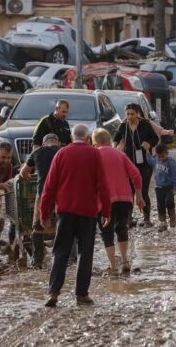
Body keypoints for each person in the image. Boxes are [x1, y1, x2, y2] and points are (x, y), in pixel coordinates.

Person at [40, 124, 111, 307]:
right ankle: (81, 294)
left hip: (65, 212)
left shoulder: (61, 154)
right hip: (87, 212)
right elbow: (103, 185)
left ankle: (54, 292)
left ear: (72, 138)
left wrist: (44, 211)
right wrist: (106, 211)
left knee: (60, 252)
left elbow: (49, 186)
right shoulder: (95, 154)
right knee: (85, 253)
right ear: (88, 138)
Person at [92, 128, 143, 274]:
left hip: (104, 201)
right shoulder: (120, 154)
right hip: (125, 199)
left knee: (106, 232)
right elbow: (136, 175)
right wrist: (139, 195)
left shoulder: (94, 155)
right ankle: (125, 261)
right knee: (122, 228)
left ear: (94, 143)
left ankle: (114, 266)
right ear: (109, 141)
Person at [20, 133, 62, 268]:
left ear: (44, 144)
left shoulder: (37, 152)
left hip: (43, 192)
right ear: (58, 143)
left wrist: (30, 175)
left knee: (37, 226)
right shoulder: (63, 151)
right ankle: (68, 257)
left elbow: (23, 173)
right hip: (62, 193)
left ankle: (37, 260)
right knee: (64, 224)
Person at [114, 103, 158, 226]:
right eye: (127, 114)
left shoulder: (145, 124)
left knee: (143, 191)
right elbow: (115, 138)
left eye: (132, 114)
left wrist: (149, 143)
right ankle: (129, 218)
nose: (130, 116)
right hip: (128, 162)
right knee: (129, 192)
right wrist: (116, 147)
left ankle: (146, 218)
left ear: (137, 113)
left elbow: (155, 138)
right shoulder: (123, 126)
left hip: (144, 162)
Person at [145, 143, 176, 232]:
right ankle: (163, 222)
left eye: (163, 156)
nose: (161, 158)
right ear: (156, 154)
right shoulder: (156, 160)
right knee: (160, 205)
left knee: (169, 202)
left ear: (167, 153)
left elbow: (175, 175)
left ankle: (172, 217)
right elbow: (149, 159)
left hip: (169, 187)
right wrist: (147, 150)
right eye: (159, 156)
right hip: (158, 187)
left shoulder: (171, 162)